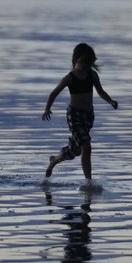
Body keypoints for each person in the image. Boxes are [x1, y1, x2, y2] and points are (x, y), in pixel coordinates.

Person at [42, 43, 118, 181]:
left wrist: (111, 101)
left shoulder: (92, 75)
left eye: (89, 63)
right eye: (84, 62)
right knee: (86, 146)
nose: (86, 66)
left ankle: (54, 160)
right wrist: (47, 108)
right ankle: (88, 181)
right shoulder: (69, 78)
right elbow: (54, 93)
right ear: (75, 61)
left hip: (88, 116)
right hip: (74, 116)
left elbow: (100, 92)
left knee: (75, 151)